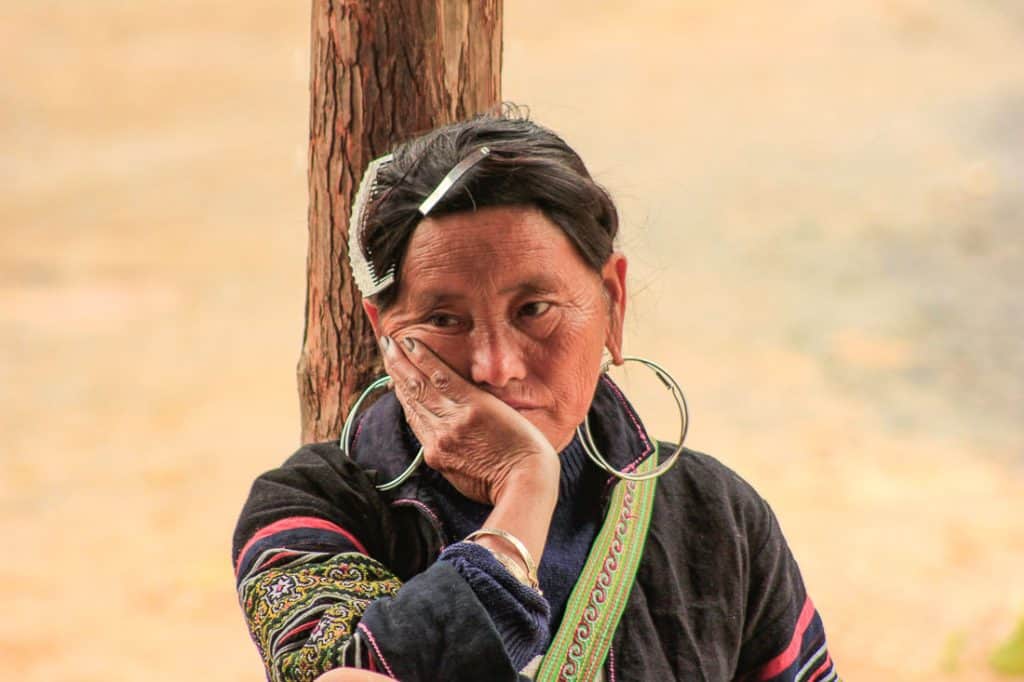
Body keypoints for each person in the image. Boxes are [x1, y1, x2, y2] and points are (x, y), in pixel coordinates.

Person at [232, 110, 839, 682]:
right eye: (444, 320)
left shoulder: (717, 516)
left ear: (612, 302)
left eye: (534, 309)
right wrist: (526, 487)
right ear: (384, 331)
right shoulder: (310, 511)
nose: (495, 365)